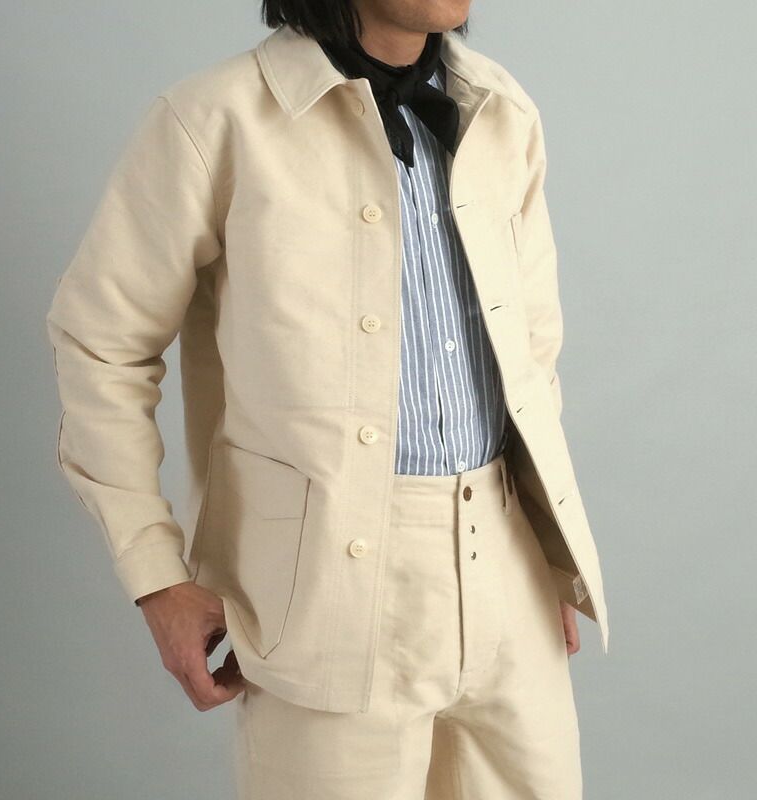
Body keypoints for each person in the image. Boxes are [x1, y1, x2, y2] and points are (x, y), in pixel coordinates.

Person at [46, 1, 609, 797]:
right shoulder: (216, 119)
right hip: (322, 593)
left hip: (508, 568)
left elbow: (531, 350)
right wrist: (155, 575)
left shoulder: (500, 108)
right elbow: (101, 343)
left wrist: (546, 552)